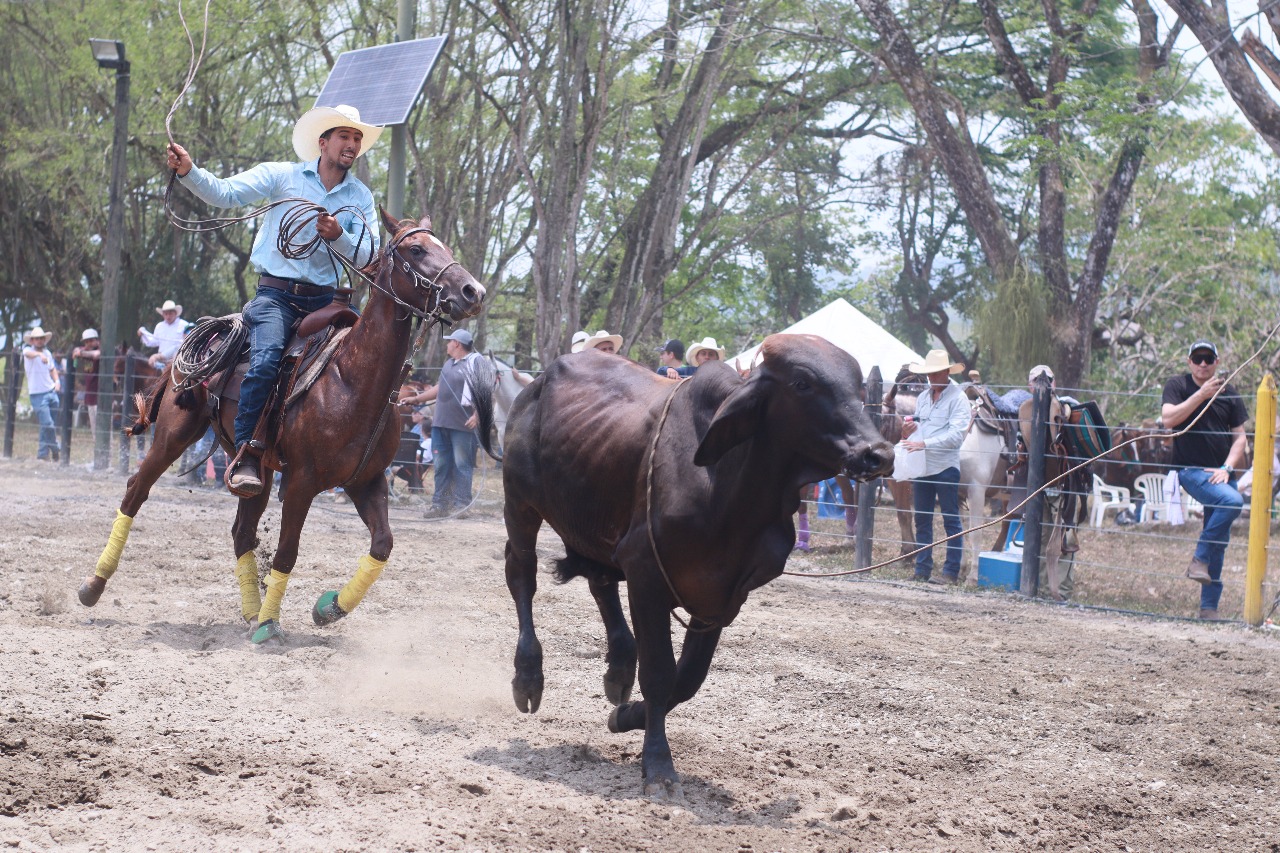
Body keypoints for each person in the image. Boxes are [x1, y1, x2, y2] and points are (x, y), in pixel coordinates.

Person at [166, 103, 383, 495]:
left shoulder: (360, 197)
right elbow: (226, 193)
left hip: (327, 302)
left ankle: (344, 453)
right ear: (323, 143)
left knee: (365, 363)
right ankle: (247, 451)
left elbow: (370, 255)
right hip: (275, 297)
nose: (352, 145)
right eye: (344, 137)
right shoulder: (282, 176)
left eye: (357, 139)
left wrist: (339, 236)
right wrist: (189, 172)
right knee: (266, 360)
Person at [1161, 339, 1248, 620]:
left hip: (1221, 473)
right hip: (1190, 470)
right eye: (1197, 358)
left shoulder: (1230, 394)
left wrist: (1226, 467)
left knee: (1220, 540)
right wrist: (1201, 395)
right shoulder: (1177, 385)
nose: (1202, 364)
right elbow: (1168, 420)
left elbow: (1240, 438)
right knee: (1233, 501)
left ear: (1216, 363)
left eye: (1208, 359)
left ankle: (1208, 608)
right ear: (1189, 361)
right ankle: (1199, 558)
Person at [900, 349, 969, 583]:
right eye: (928, 373)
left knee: (950, 518)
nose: (930, 378)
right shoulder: (922, 399)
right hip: (923, 466)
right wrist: (908, 433)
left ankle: (950, 572)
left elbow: (956, 436)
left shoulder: (958, 398)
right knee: (922, 518)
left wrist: (923, 443)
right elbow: (919, 427)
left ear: (946, 372)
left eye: (935, 373)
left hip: (945, 467)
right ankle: (922, 570)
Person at [400, 329, 483, 517]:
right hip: (440, 423)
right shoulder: (448, 364)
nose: (447, 345)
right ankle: (440, 504)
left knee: (462, 465)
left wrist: (477, 415)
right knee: (441, 465)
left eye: (449, 341)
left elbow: (484, 389)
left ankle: (461, 505)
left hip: (462, 425)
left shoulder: (476, 363)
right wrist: (417, 399)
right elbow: (439, 388)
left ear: (457, 344)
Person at [1016, 365, 1081, 600]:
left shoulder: (1069, 406)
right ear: (1029, 385)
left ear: (1055, 383)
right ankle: (1043, 589)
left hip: (1067, 483)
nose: (1043, 383)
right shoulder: (1024, 412)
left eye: (1048, 379)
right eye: (1036, 380)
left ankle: (1060, 592)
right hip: (1038, 485)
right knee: (1041, 536)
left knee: (1064, 538)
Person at [22, 327, 61, 461]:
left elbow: (52, 369)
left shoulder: (48, 353)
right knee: (48, 424)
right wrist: (39, 355)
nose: (39, 341)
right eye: (36, 338)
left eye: (41, 338)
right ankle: (56, 448)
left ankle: (42, 454)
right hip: (37, 394)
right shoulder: (27, 351)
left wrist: (57, 381)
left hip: (51, 391)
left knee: (47, 426)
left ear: (44, 339)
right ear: (32, 340)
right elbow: (28, 354)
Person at [137, 300, 191, 369]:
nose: (168, 316)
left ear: (175, 313)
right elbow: (154, 341)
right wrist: (143, 333)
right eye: (166, 314)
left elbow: (186, 343)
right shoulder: (159, 326)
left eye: (170, 313)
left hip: (177, 362)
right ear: (163, 315)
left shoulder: (184, 325)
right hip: (162, 362)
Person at [71, 328, 102, 442]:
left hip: (100, 395)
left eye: (91, 340)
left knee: (103, 425)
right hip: (90, 395)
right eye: (86, 341)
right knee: (93, 426)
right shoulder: (83, 351)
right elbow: (76, 349)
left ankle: (106, 453)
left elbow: (96, 355)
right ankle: (97, 451)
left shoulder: (100, 349)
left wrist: (81, 353)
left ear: (96, 340)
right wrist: (77, 351)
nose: (88, 343)